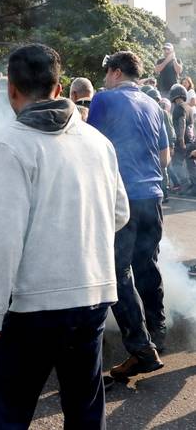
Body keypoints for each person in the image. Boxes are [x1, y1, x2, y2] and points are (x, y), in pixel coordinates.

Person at [0, 44, 129, 429]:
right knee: (84, 407)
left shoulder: (13, 143)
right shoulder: (98, 141)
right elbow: (120, 213)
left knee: (6, 410)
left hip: (33, 307)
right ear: (58, 88)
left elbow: (2, 238)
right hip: (93, 295)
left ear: (11, 89)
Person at [88, 51, 170, 380]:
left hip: (123, 199)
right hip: (153, 196)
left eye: (107, 72)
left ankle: (141, 348)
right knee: (146, 264)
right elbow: (165, 158)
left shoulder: (104, 100)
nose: (106, 77)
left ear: (117, 72)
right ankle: (157, 330)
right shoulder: (154, 104)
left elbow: (89, 148)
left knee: (116, 272)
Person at [169, 84, 195, 193]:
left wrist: (181, 141)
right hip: (191, 141)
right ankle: (193, 186)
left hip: (182, 142)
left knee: (175, 165)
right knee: (190, 165)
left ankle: (186, 185)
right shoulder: (189, 107)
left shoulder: (179, 108)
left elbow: (182, 122)